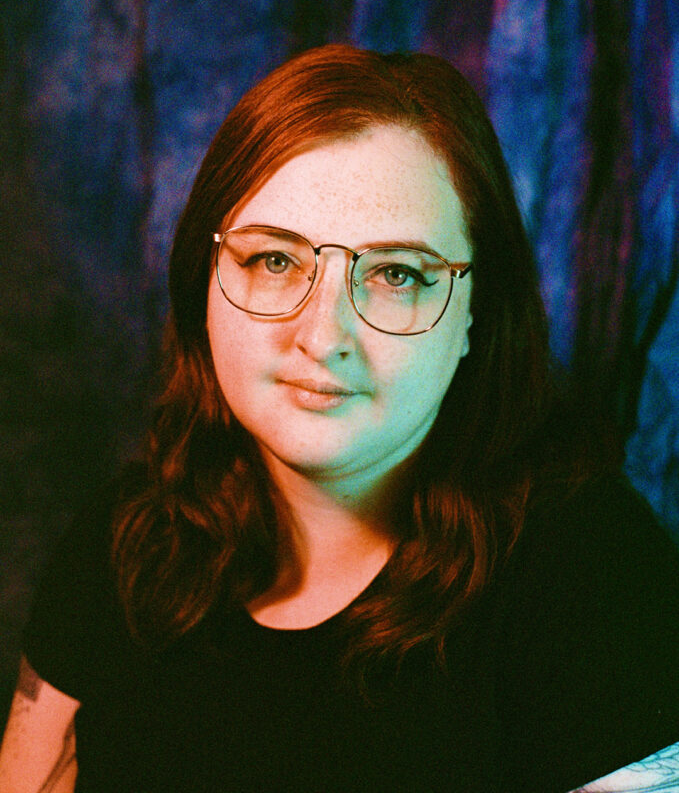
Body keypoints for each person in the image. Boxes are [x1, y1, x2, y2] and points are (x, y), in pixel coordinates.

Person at [1, 45, 678, 793]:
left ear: (474, 317)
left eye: (396, 274)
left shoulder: (598, 580)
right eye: (274, 261)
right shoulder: (129, 539)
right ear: (204, 277)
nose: (322, 336)